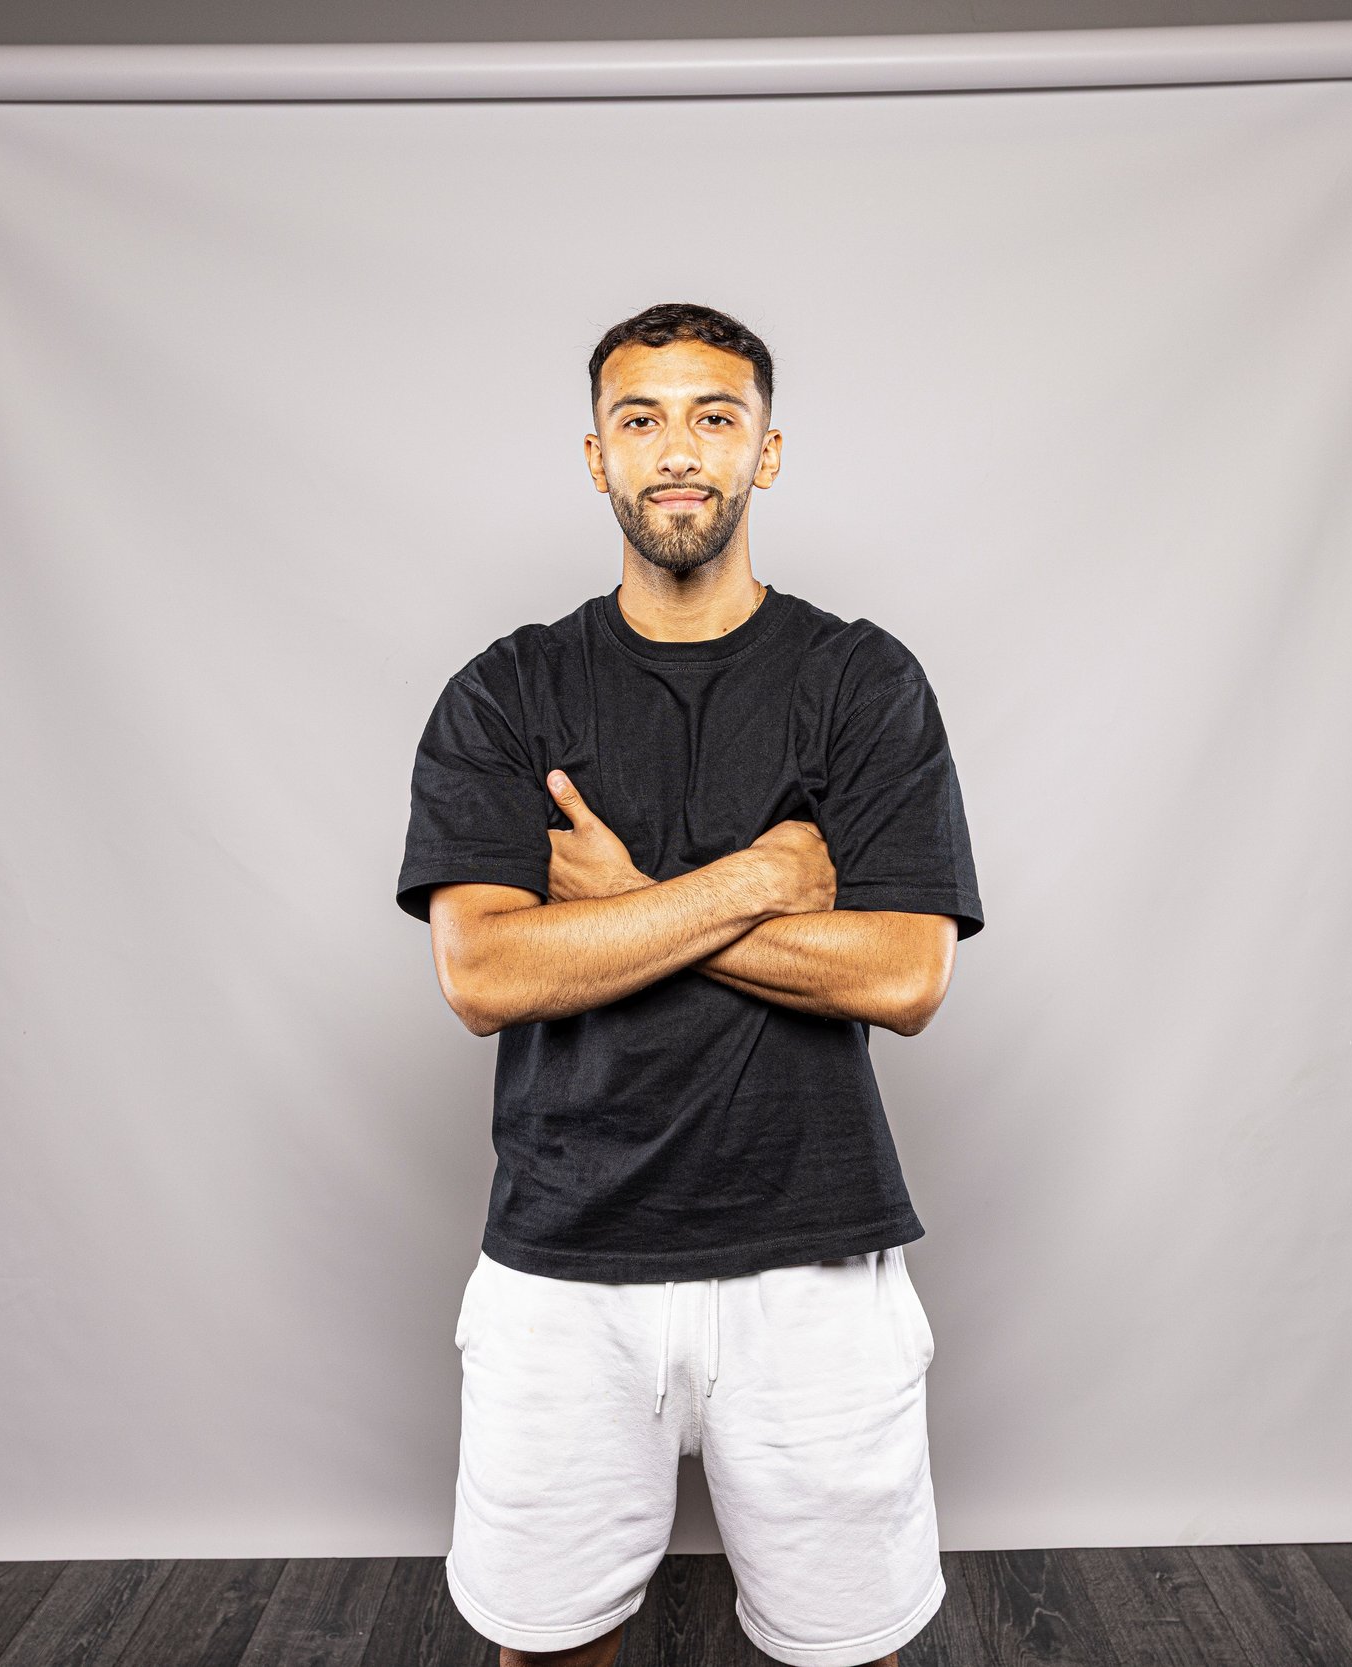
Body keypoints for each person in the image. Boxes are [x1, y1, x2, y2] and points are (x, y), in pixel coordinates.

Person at [395, 301, 984, 1667]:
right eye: (641, 418)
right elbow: (483, 969)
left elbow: (903, 973)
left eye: (716, 418)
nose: (679, 451)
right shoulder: (507, 691)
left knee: (850, 1652)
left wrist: (611, 908)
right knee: (547, 1652)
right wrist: (756, 881)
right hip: (563, 1259)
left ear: (766, 454)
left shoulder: (859, 682)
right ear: (594, 454)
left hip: (817, 1259)